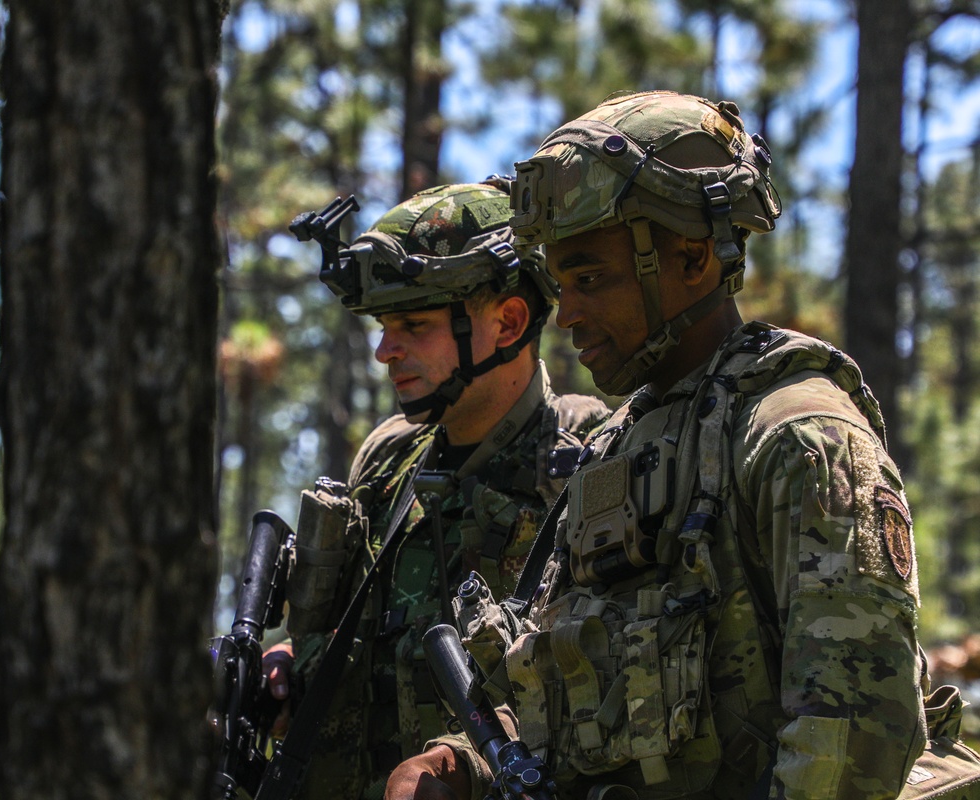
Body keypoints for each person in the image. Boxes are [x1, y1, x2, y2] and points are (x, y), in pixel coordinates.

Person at [385, 91, 928, 800]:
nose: (568, 311)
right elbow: (565, 698)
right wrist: (463, 763)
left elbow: (857, 737)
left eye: (589, 278)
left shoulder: (797, 436)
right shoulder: (618, 449)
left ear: (694, 258)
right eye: (559, 282)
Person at [264, 181, 610, 800]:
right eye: (383, 326)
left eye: (413, 325)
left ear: (507, 322)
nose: (383, 352)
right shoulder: (389, 458)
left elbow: (605, 681)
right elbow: (366, 630)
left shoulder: (587, 461)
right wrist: (293, 658)